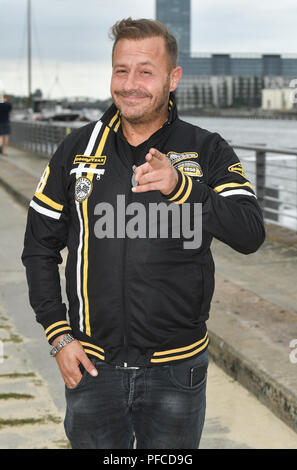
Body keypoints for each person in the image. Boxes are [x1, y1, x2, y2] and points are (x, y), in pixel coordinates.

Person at [21, 18, 265, 449]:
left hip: (177, 371)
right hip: (91, 367)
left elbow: (250, 233)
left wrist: (183, 188)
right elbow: (39, 247)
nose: (130, 84)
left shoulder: (207, 148)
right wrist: (58, 336)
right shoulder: (76, 150)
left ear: (173, 79)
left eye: (145, 71)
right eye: (121, 70)